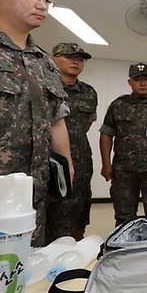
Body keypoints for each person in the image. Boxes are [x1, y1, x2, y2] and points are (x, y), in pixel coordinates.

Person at [0, 0, 72, 247]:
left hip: (32, 200)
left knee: (21, 278)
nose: (42, 4)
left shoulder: (43, 61)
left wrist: (66, 166)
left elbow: (57, 120)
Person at [99, 63, 147, 225]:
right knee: (124, 217)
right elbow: (106, 134)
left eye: (146, 79)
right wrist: (106, 164)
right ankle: (124, 248)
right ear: (130, 82)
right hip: (124, 172)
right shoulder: (118, 105)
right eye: (137, 79)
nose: (142, 83)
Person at [49, 42, 97, 240]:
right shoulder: (44, 87)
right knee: (51, 209)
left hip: (81, 159)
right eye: (70, 57)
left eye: (80, 58)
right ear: (54, 58)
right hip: (48, 158)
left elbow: (87, 125)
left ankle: (75, 253)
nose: (76, 62)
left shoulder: (89, 93)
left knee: (80, 206)